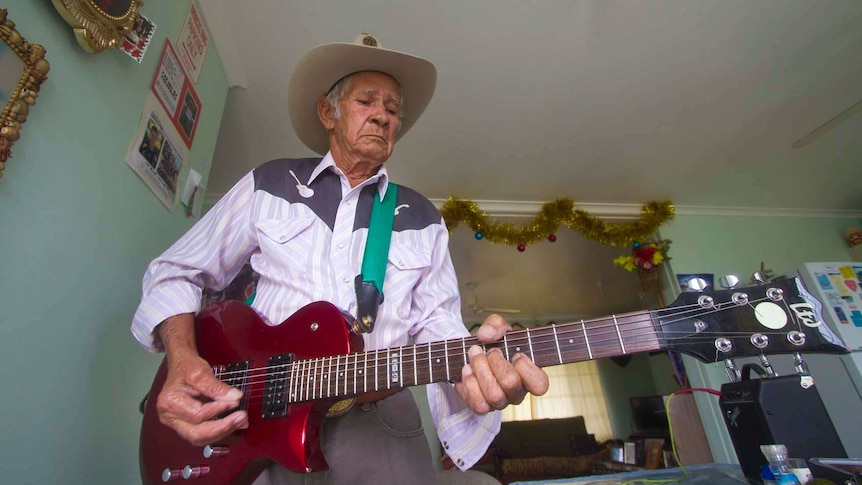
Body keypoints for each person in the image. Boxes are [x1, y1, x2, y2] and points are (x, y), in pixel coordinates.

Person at [131, 34, 549, 484]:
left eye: (393, 109)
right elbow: (176, 270)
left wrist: (475, 372)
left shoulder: (422, 217)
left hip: (381, 416)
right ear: (328, 113)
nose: (384, 116)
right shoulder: (269, 183)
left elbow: (438, 325)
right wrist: (181, 359)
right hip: (257, 417)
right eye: (367, 100)